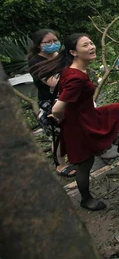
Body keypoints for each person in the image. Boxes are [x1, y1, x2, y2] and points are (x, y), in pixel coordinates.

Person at [32, 33, 119, 211]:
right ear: (73, 52)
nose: (92, 47)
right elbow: (56, 109)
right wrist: (63, 120)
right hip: (79, 125)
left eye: (91, 43)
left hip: (90, 114)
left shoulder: (74, 68)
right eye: (85, 45)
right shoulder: (76, 77)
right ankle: (86, 199)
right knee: (85, 164)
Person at [27, 29, 77, 178]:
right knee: (59, 135)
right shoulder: (36, 62)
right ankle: (60, 165)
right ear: (38, 45)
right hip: (50, 102)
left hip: (67, 96)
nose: (53, 44)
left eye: (55, 41)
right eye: (47, 42)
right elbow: (54, 83)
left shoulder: (58, 55)